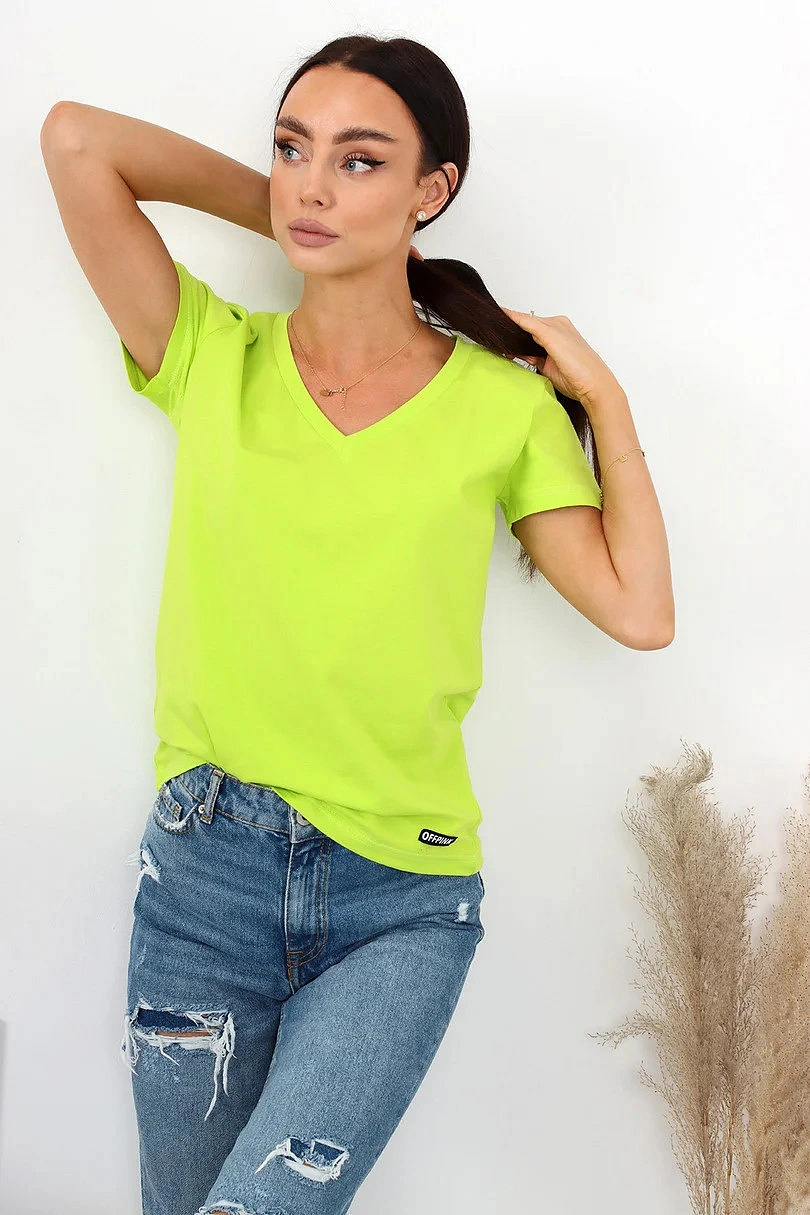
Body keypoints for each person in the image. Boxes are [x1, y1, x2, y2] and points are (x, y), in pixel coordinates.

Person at [40, 32, 673, 1215]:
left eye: (362, 161)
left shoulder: (502, 407)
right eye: (295, 149)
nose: (313, 182)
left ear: (435, 189)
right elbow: (77, 140)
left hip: (402, 898)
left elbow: (640, 612)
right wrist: (306, 215)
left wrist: (608, 403)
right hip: (206, 876)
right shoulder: (210, 353)